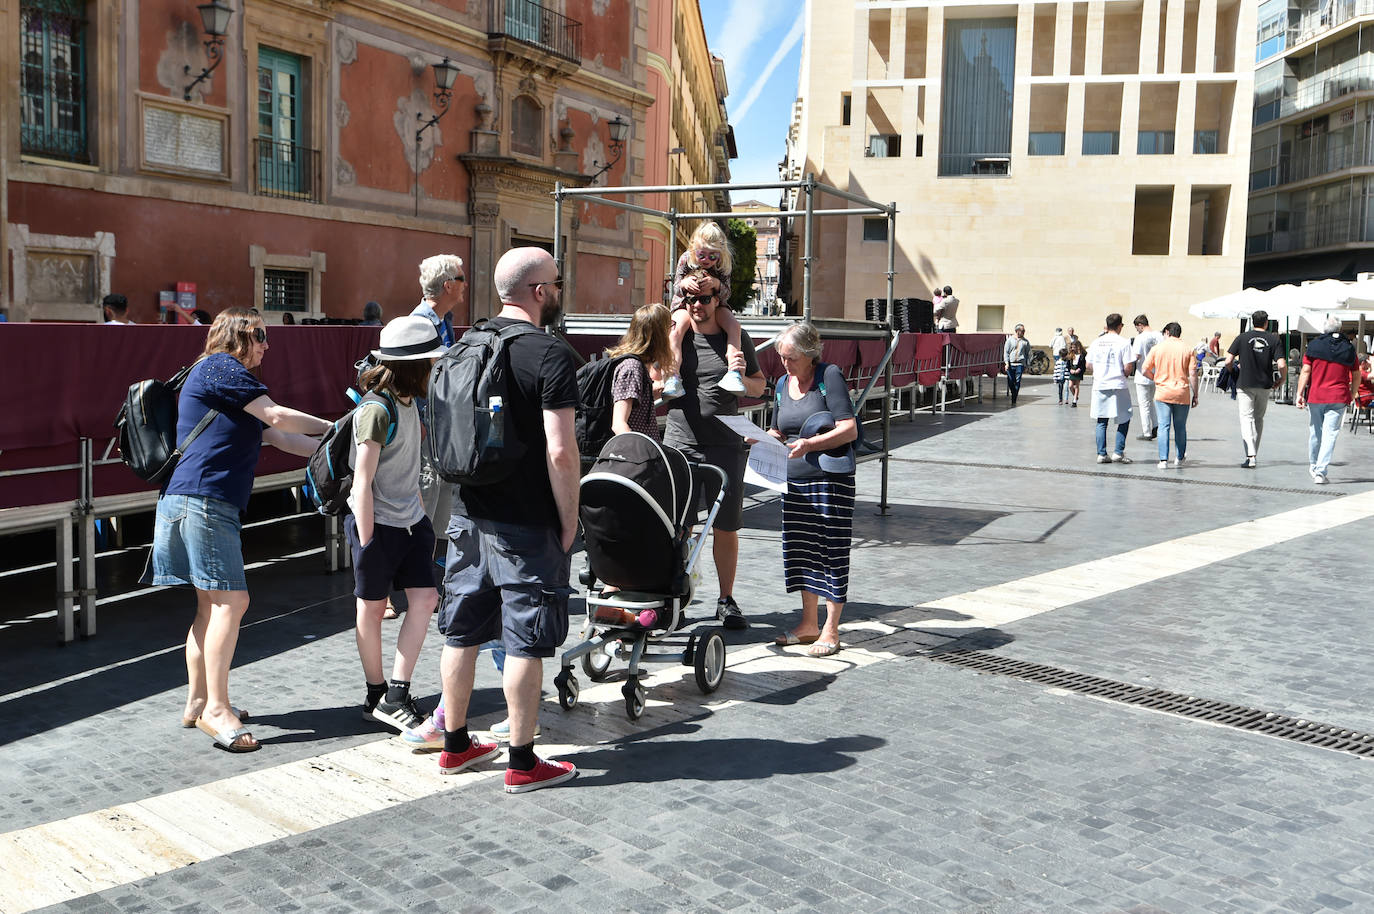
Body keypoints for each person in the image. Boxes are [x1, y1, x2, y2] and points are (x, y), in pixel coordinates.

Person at [434, 246, 581, 793]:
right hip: (526, 521)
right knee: (525, 639)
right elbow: (561, 452)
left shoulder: (465, 344)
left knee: (462, 630)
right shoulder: (550, 354)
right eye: (557, 283)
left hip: (468, 514)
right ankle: (522, 763)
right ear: (540, 291)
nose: (559, 291)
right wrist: (569, 521)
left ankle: (454, 748)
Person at [150, 309, 331, 752]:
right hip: (204, 501)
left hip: (192, 500)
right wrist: (340, 427)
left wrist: (343, 451)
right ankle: (217, 709)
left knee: (210, 609)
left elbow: (282, 439)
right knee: (233, 601)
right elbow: (280, 418)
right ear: (237, 336)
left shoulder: (226, 384)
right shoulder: (220, 367)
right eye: (261, 335)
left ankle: (197, 702)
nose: (267, 345)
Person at [347, 317, 447, 732]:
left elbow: (410, 467)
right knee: (370, 611)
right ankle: (377, 693)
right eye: (430, 362)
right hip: (380, 528)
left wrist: (420, 514)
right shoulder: (376, 408)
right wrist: (369, 543)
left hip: (411, 523)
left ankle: (396, 693)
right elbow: (361, 484)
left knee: (424, 600)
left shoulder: (407, 403)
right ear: (415, 365)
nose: (434, 369)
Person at [663, 268, 766, 630]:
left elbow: (758, 385)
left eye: (704, 299)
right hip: (680, 443)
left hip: (725, 445)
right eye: (690, 299)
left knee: (725, 527)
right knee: (680, 526)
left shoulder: (734, 338)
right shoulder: (675, 334)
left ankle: (726, 600)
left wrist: (742, 384)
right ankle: (676, 597)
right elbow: (652, 377)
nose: (696, 306)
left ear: (718, 299)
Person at [767, 323, 858, 659]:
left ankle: (831, 629)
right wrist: (763, 438)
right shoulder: (780, 383)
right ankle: (808, 624)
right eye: (781, 357)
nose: (784, 364)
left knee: (830, 549)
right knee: (800, 550)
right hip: (793, 480)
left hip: (829, 480)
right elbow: (779, 428)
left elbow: (849, 428)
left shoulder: (829, 376)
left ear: (808, 355)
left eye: (790, 358)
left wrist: (810, 444)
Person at [662, 222, 745, 399]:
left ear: (720, 254)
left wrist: (716, 284)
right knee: (675, 330)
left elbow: (727, 293)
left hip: (716, 303)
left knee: (734, 326)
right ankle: (673, 376)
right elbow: (676, 288)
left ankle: (734, 372)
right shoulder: (685, 259)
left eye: (713, 256)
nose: (707, 260)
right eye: (702, 254)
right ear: (694, 250)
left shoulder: (723, 264)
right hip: (685, 303)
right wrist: (684, 284)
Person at [1296, 316, 1359, 485]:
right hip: (1338, 396)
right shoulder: (1348, 348)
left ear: (1324, 329)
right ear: (1339, 329)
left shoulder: (1314, 346)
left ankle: (1313, 465)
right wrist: (1353, 393)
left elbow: (1306, 371)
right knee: (1330, 434)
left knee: (1316, 431)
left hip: (1316, 396)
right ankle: (1321, 472)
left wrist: (1299, 393)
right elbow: (1357, 374)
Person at [1224, 309, 1285, 469]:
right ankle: (1253, 454)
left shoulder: (1242, 338)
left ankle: (1250, 456)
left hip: (1245, 383)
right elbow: (1282, 364)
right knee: (1258, 419)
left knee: (1246, 418)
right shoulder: (1273, 339)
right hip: (1264, 384)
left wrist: (1232, 371)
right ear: (1266, 323)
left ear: (1252, 322)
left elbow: (1228, 360)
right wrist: (1282, 378)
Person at [607, 303, 672, 439]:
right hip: (637, 456)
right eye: (669, 327)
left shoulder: (639, 365)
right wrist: (636, 453)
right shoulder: (632, 367)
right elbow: (619, 424)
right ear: (659, 335)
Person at [1141, 321, 1197, 469]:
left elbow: (1144, 369)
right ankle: (1179, 457)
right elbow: (1192, 373)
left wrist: (1156, 379)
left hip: (1162, 392)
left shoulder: (1157, 348)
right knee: (1180, 427)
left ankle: (1163, 460)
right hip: (1182, 392)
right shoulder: (1188, 349)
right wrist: (1196, 394)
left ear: (1167, 332)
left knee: (1163, 426)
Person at [1086, 313, 1135, 463]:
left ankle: (1101, 454)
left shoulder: (1096, 342)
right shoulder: (1124, 342)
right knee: (1124, 417)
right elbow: (1128, 366)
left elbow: (1088, 365)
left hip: (1100, 384)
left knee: (1102, 420)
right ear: (1120, 326)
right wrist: (1123, 373)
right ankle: (1118, 452)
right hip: (1118, 384)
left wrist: (1100, 371)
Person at [412, 254, 464, 347]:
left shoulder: (445, 317)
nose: (465, 284)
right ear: (448, 286)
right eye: (462, 279)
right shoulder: (419, 325)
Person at [1131, 315, 1163, 441]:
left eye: (1137, 328)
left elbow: (1136, 356)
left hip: (1142, 374)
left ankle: (1146, 432)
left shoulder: (1140, 338)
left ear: (1140, 325)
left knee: (1144, 404)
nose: (1137, 330)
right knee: (1151, 402)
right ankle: (1156, 426)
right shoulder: (1159, 336)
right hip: (1156, 373)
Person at [1003, 323, 1031, 405]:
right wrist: (1006, 363)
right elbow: (1006, 352)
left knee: (1018, 381)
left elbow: (1028, 354)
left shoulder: (1025, 342)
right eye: (1022, 331)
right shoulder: (1010, 340)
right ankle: (1013, 392)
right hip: (1011, 363)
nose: (1024, 332)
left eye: (1024, 331)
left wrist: (1027, 365)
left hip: (1020, 364)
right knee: (1011, 381)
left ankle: (1014, 398)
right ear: (1017, 331)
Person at [1065, 339, 1086, 407]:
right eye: (1072, 347)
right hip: (1072, 369)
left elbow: (1083, 365)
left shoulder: (1082, 355)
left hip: (1078, 370)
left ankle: (1074, 401)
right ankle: (1075, 396)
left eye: (1074, 347)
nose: (1073, 348)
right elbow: (1068, 364)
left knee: (1077, 386)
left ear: (1078, 347)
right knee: (1070, 386)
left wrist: (1079, 369)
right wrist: (1070, 370)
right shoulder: (1070, 354)